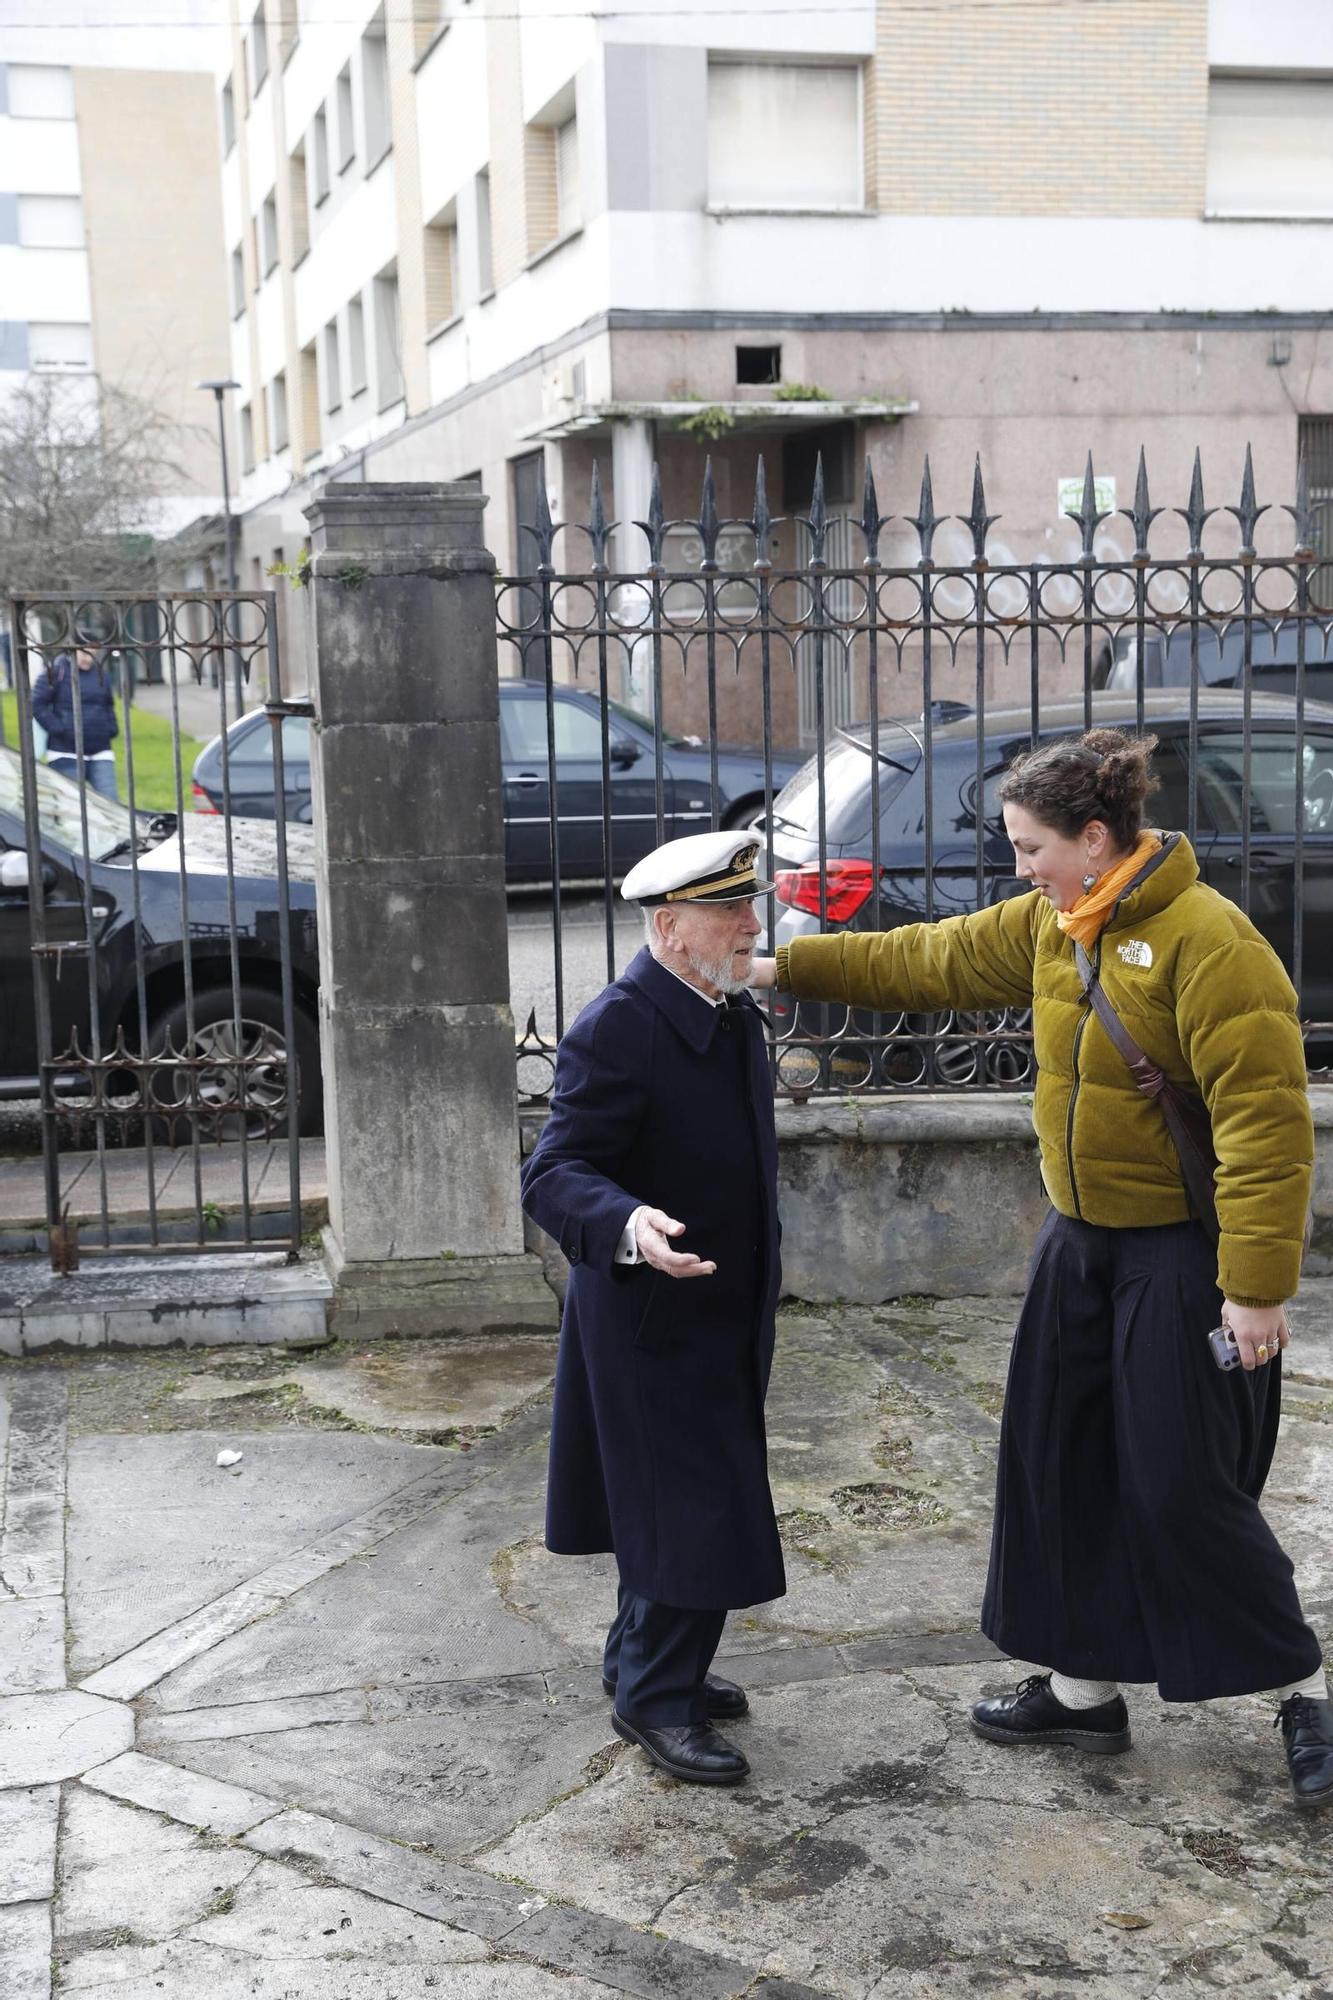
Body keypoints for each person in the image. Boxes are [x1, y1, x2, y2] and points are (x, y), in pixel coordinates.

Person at [750, 727, 1333, 1810]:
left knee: (1177, 1481)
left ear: (1095, 837)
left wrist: (1254, 1288)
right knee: (1054, 1463)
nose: (1018, 868)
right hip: (1078, 1242)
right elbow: (923, 960)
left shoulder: (1212, 941)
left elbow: (1265, 1126)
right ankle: (1081, 1691)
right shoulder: (1051, 925)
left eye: (1030, 848)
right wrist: (774, 965)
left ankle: (1304, 1695)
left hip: (1177, 1251)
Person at [521, 830, 785, 1787]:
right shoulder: (620, 1026)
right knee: (689, 1509)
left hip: (720, 1307)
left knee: (680, 1500)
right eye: (730, 911)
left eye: (748, 906)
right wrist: (629, 1223)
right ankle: (654, 1699)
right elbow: (553, 1172)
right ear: (670, 928)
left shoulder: (723, 1008)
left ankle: (643, 1660)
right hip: (652, 1316)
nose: (751, 924)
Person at [32, 647, 119, 800]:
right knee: (71, 804)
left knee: (110, 803)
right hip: (66, 752)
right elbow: (37, 704)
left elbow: (108, 705)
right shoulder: (56, 672)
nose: (88, 659)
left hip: (100, 750)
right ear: (73, 651)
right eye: (84, 653)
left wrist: (111, 728)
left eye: (92, 654)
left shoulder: (100, 674)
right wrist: (58, 728)